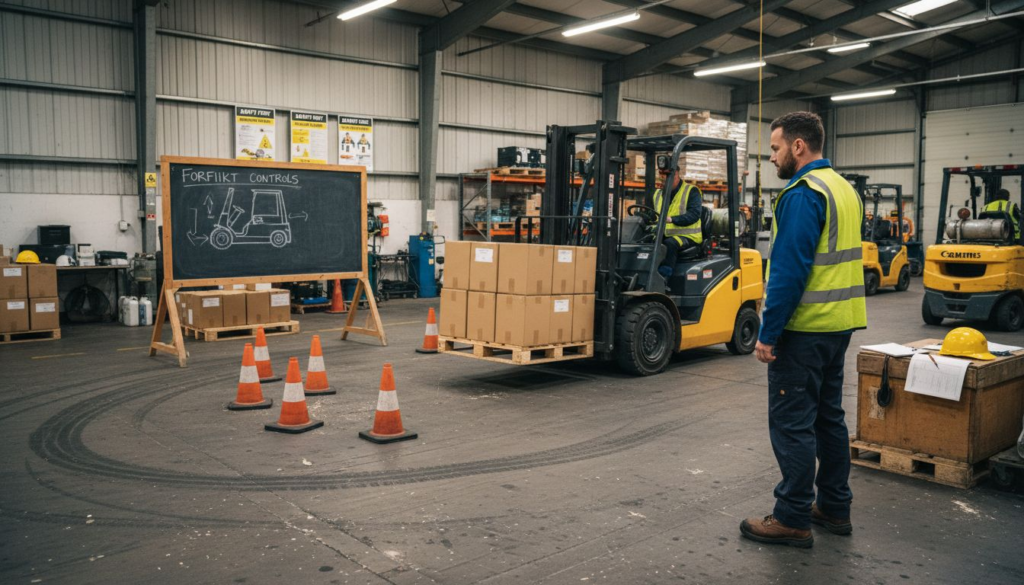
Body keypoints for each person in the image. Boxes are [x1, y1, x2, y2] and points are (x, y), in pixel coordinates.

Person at [740, 111, 867, 549]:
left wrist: (769, 332)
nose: (772, 157)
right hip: (839, 326)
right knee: (829, 419)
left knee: (793, 423)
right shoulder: (844, 189)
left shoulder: (803, 192)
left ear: (798, 146)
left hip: (805, 329)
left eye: (775, 148)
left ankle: (792, 516)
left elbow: (790, 273)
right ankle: (834, 506)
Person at [652, 167, 703, 279]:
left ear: (675, 174)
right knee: (644, 242)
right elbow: (653, 215)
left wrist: (672, 219)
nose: (662, 180)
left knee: (670, 244)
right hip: (664, 233)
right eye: (661, 176)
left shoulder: (691, 191)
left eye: (665, 177)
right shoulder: (658, 194)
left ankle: (663, 278)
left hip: (688, 236)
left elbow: (694, 215)